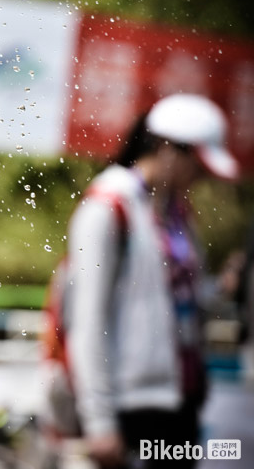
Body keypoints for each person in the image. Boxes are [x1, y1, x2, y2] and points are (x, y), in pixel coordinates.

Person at [63, 94, 239, 468]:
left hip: (181, 400)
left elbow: (176, 304)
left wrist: (223, 288)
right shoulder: (107, 207)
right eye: (198, 167)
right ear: (167, 149)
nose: (201, 178)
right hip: (130, 408)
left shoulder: (177, 214)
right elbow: (87, 321)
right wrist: (99, 422)